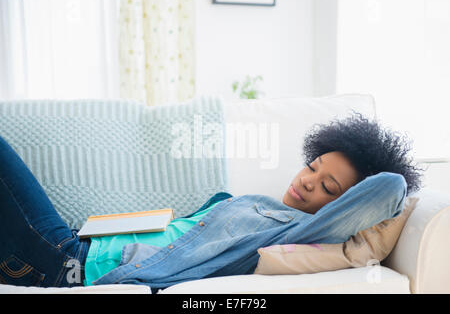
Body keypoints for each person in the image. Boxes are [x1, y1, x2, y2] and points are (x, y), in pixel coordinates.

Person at [0, 112, 422, 291]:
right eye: (313, 166)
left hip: (68, 264)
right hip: (76, 244)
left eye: (329, 188)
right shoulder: (262, 204)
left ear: (342, 210)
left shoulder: (298, 234)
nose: (309, 181)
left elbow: (388, 188)